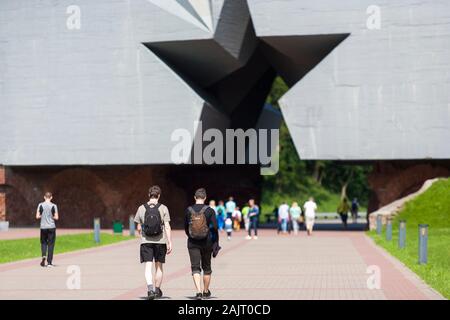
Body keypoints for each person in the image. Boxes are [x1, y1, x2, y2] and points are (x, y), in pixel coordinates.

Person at [134, 185, 172, 300]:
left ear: (148, 195)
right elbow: (167, 226)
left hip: (146, 241)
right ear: (159, 195)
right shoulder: (163, 208)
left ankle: (150, 290)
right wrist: (169, 241)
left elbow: (139, 227)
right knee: (159, 266)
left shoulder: (141, 208)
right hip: (160, 241)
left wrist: (142, 231)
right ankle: (157, 290)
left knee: (148, 265)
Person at [185, 188, 219, 300]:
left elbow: (186, 227)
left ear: (195, 197)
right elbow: (214, 228)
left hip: (192, 242)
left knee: (195, 267)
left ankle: (198, 292)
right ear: (205, 198)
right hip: (207, 242)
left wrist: (191, 235)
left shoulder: (188, 210)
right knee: (207, 267)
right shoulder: (210, 210)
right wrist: (215, 243)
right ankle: (205, 291)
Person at [36, 192, 59, 268]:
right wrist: (51, 216)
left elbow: (37, 216)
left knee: (43, 243)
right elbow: (56, 217)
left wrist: (42, 215)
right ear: (51, 197)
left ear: (44, 197)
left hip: (43, 227)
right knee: (51, 244)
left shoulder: (40, 205)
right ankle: (49, 262)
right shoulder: (54, 206)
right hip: (51, 227)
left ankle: (43, 256)